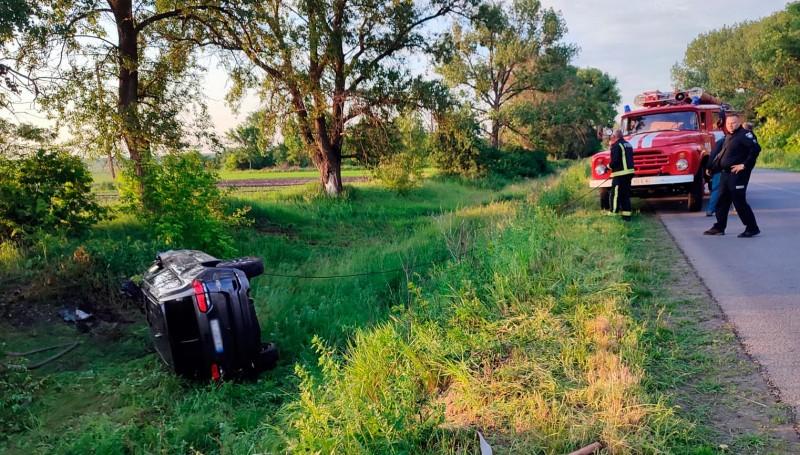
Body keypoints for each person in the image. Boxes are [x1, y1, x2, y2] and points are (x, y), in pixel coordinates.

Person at [703, 113, 761, 237]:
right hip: (726, 174)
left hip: (738, 174)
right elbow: (723, 154)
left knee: (739, 201)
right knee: (722, 201)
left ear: (739, 122)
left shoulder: (744, 134)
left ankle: (752, 228)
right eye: (728, 123)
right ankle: (719, 227)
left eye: (733, 123)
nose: (730, 125)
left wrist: (744, 165)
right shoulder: (729, 136)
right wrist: (711, 168)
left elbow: (756, 149)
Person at [608, 129, 634, 221]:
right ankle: (626, 216)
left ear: (615, 137)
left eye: (612, 137)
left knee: (615, 194)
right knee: (625, 195)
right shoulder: (629, 145)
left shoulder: (616, 145)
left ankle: (613, 214)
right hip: (629, 173)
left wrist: (608, 167)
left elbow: (615, 161)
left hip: (620, 174)